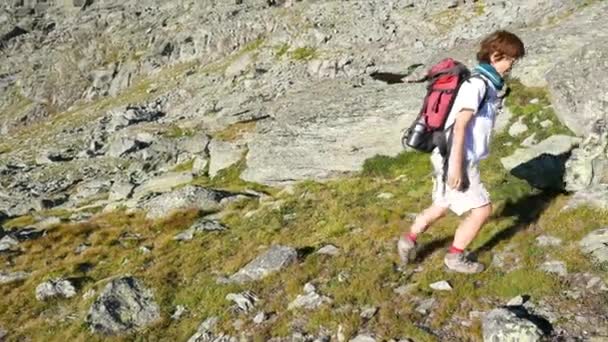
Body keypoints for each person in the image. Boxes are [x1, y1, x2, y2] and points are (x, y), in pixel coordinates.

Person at [397, 30, 526, 274]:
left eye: (514, 60)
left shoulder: (485, 84)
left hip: (446, 154)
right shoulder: (477, 85)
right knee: (482, 209)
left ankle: (408, 240)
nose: (512, 65)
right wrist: (456, 167)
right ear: (495, 55)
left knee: (443, 204)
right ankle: (455, 258)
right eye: (510, 59)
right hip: (457, 157)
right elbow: (460, 124)